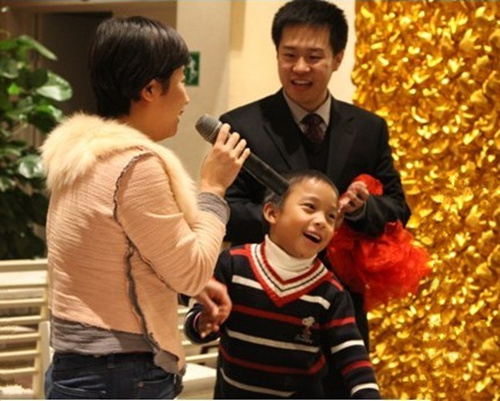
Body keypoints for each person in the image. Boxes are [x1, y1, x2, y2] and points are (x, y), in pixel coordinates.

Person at [40, 16, 249, 399]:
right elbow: (192, 272)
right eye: (181, 80)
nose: (186, 97)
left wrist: (185, 280)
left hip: (77, 366)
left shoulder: (79, 155)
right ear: (150, 89)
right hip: (121, 373)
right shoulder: (135, 166)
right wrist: (213, 189)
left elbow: (113, 256)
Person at [220, 1, 410, 396]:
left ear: (338, 58)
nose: (300, 68)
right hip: (260, 313)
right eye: (289, 55)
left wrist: (361, 209)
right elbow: (225, 211)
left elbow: (397, 209)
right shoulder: (240, 126)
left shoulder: (369, 129)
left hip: (339, 310)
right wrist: (289, 219)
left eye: (314, 56)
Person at [184, 170, 381, 399]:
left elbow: (353, 359)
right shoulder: (233, 264)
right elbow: (196, 324)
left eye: (331, 216)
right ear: (272, 213)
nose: (321, 221)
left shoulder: (331, 292)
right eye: (310, 207)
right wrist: (204, 323)